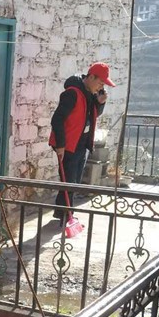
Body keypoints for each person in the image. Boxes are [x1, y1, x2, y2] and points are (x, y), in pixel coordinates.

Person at [49, 62, 113, 225]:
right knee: (69, 181)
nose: (101, 87)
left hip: (82, 143)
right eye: (100, 83)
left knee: (74, 181)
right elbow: (57, 119)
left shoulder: (90, 94)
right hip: (69, 144)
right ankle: (67, 216)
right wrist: (60, 145)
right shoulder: (72, 93)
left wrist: (100, 102)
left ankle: (62, 211)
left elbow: (92, 116)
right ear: (91, 77)